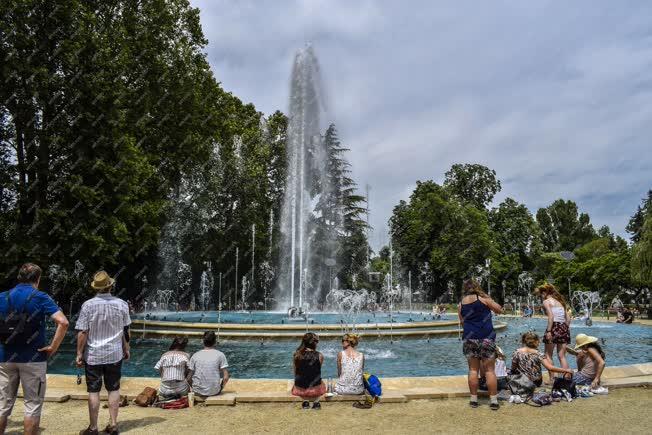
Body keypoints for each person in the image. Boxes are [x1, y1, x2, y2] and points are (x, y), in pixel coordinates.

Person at [0, 263, 69, 435]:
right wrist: (53, 347)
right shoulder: (40, 297)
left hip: (4, 357)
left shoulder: (2, 296)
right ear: (38, 279)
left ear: (18, 277)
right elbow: (63, 322)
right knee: (32, 405)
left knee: (2, 404)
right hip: (34, 358)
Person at [76, 271, 131, 435]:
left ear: (96, 288)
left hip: (93, 354)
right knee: (114, 389)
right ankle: (113, 425)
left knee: (93, 391)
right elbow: (126, 330)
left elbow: (83, 332)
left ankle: (93, 428)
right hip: (114, 353)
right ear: (110, 286)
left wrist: (79, 353)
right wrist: (126, 348)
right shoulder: (122, 304)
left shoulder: (88, 305)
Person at [458, 279, 503, 410]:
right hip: (487, 338)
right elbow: (499, 310)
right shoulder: (483, 299)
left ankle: (473, 399)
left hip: (470, 339)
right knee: (489, 370)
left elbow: (462, 322)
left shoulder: (460, 304)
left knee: (473, 370)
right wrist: (489, 298)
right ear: (477, 287)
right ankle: (493, 401)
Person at [537, 283, 571, 383]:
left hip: (554, 327)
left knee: (548, 355)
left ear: (545, 292)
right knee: (562, 356)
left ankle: (552, 379)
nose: (540, 296)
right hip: (563, 327)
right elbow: (568, 319)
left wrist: (549, 331)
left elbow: (551, 316)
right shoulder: (560, 302)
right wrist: (564, 329)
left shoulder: (546, 302)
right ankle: (567, 378)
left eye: (541, 294)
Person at [188, 331, 229, 398]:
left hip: (197, 391)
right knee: (227, 373)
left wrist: (193, 388)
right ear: (215, 342)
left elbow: (189, 378)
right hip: (214, 392)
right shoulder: (220, 355)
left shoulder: (195, 355)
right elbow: (226, 378)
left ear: (203, 341)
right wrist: (221, 387)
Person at [291, 332, 327, 409]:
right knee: (322, 383)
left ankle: (305, 402)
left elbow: (295, 373)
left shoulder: (296, 355)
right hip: (316, 390)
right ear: (315, 343)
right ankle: (316, 402)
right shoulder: (320, 356)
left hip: (299, 390)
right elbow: (315, 372)